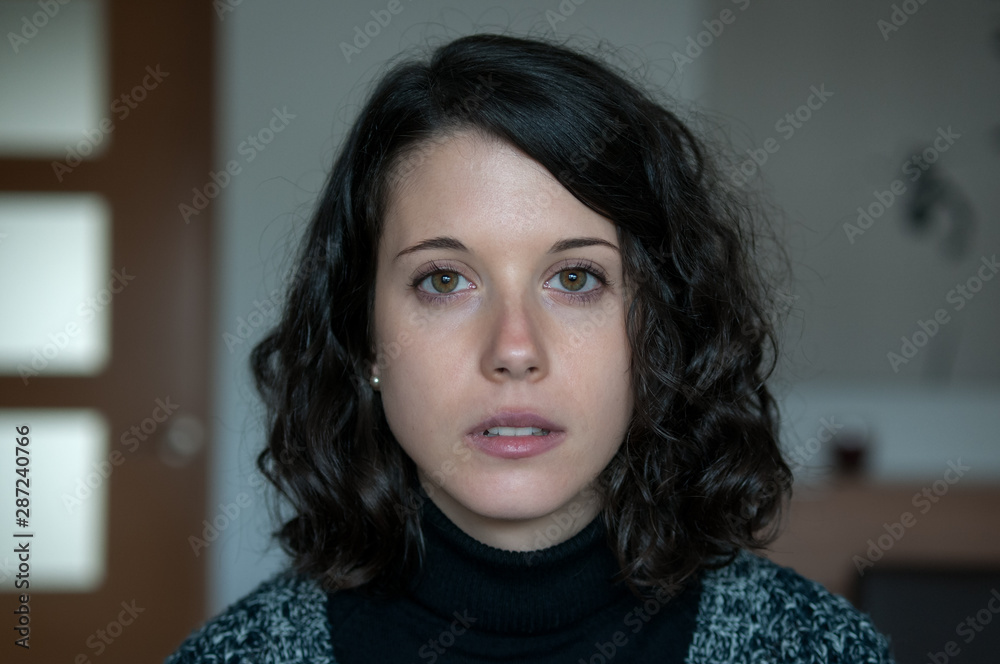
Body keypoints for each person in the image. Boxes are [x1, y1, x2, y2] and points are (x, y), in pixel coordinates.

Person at [165, 32, 896, 663]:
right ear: (364, 338)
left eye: (575, 278)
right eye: (445, 280)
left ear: (660, 332)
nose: (514, 349)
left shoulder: (814, 646)